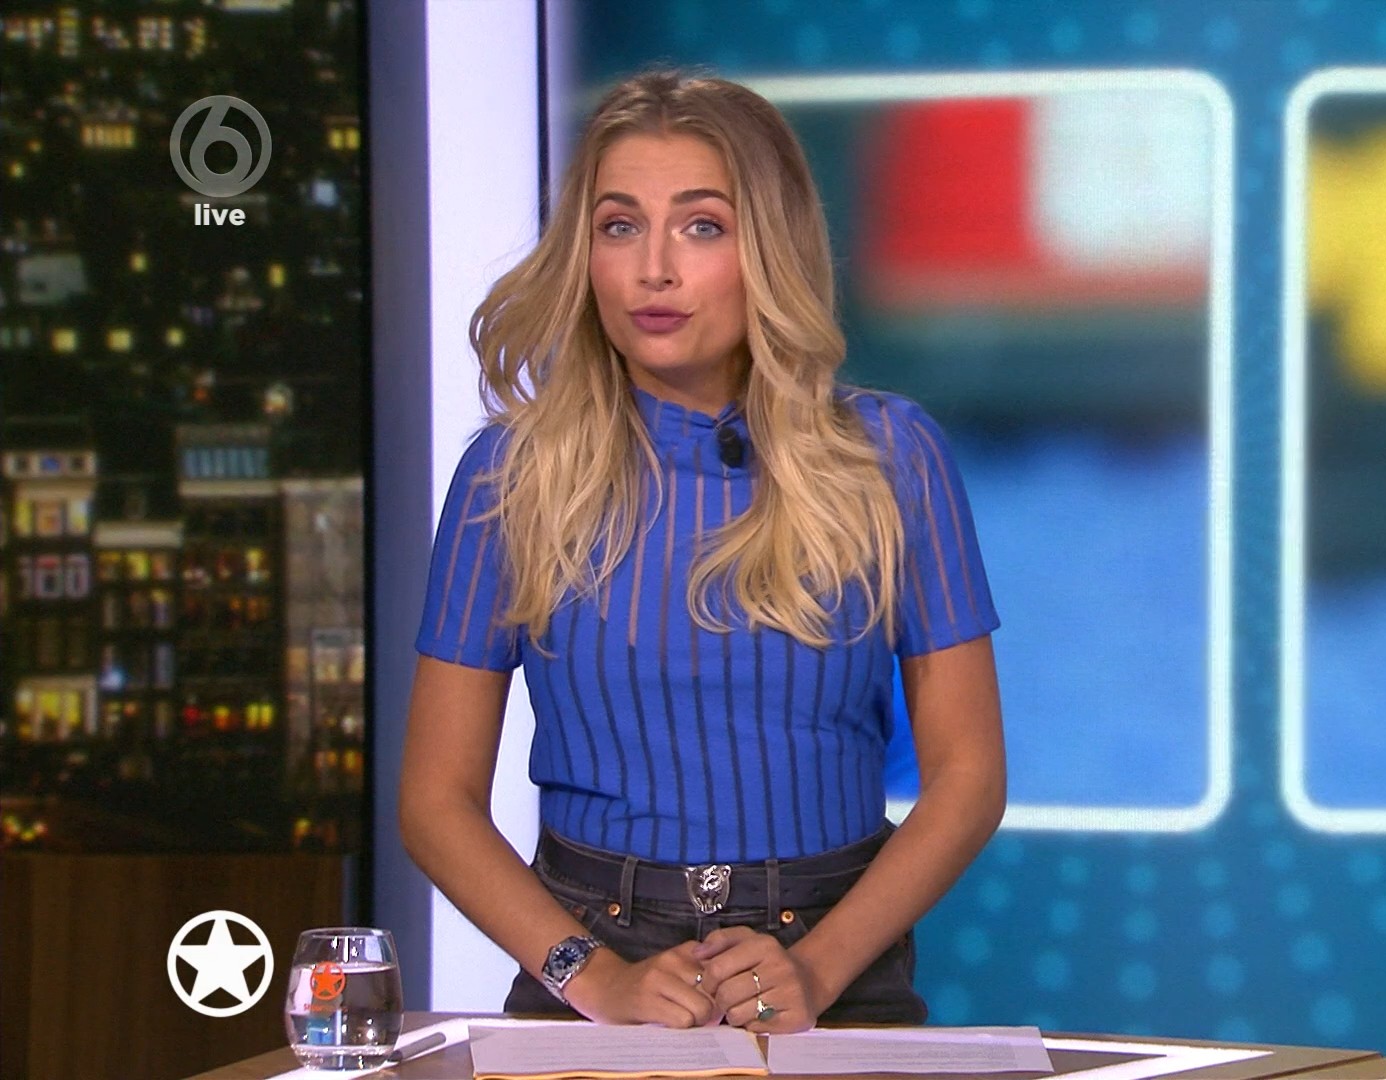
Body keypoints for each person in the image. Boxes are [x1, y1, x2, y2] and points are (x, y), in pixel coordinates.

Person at [398, 69, 1006, 1030]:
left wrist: (816, 970)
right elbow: (436, 802)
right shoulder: (510, 476)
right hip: (594, 953)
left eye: (701, 226)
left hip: (832, 962)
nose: (655, 270)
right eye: (619, 226)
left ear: (769, 246)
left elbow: (968, 779)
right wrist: (593, 977)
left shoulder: (891, 457)